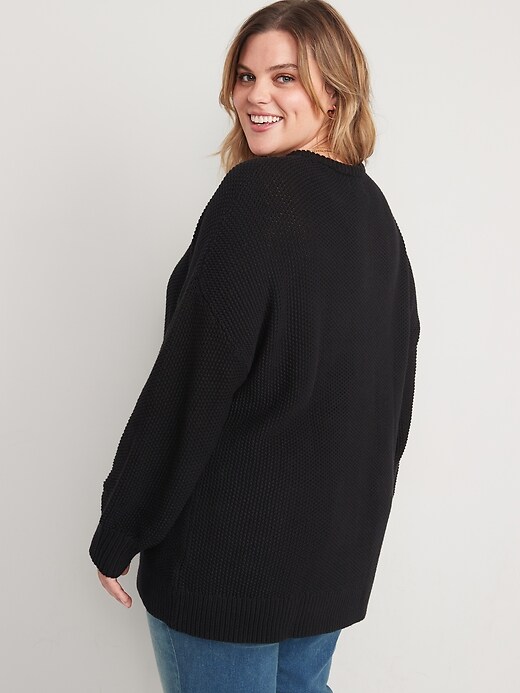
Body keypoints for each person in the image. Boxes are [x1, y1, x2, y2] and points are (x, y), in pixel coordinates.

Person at [89, 0, 421, 691]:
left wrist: (122, 526)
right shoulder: (374, 214)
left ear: (335, 92)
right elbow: (392, 400)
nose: (255, 96)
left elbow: (190, 384)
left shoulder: (256, 196)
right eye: (246, 76)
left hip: (229, 565)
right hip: (328, 562)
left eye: (284, 77)